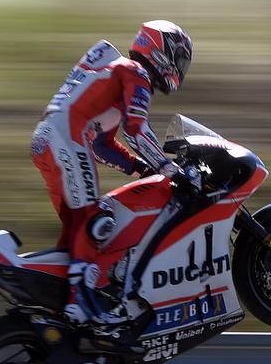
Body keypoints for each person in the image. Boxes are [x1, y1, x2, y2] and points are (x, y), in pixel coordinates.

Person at [29, 20, 195, 329]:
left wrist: (141, 167)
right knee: (96, 221)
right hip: (66, 137)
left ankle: (58, 294)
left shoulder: (117, 73)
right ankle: (81, 302)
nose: (179, 68)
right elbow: (136, 130)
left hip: (46, 140)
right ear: (162, 52)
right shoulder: (137, 73)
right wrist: (166, 166)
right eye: (179, 59)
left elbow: (104, 146)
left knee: (75, 229)